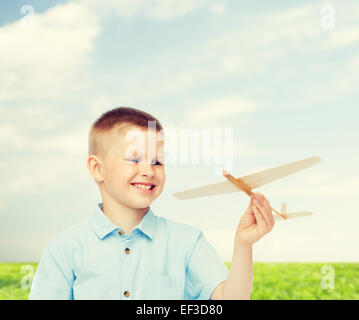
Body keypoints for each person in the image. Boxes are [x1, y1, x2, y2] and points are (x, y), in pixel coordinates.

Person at [29, 107, 274, 300]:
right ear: (97, 168)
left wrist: (244, 244)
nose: (148, 170)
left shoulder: (186, 242)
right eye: (134, 159)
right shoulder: (64, 249)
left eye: (158, 162)